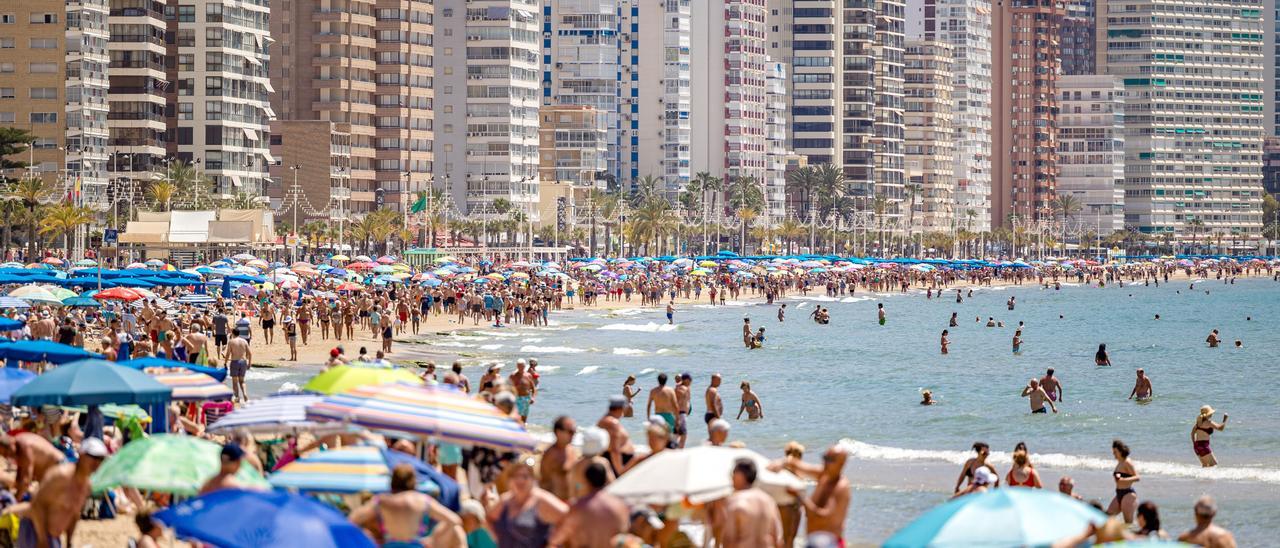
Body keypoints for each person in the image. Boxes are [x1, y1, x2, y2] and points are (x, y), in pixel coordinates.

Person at [350, 464, 465, 548]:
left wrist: (368, 537)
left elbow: (352, 519)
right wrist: (433, 538)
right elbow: (454, 520)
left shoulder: (382, 501)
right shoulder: (423, 501)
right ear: (413, 482)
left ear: (392, 482)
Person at [21, 437, 107, 548]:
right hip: (34, 531)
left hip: (53, 537)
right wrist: (42, 539)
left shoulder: (87, 486)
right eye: (94, 457)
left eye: (101, 459)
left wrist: (69, 542)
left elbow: (73, 514)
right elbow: (37, 506)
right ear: (81, 455)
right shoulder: (60, 476)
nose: (97, 463)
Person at [487, 455, 568, 548]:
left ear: (533, 478)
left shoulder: (541, 499)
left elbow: (569, 518)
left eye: (525, 476)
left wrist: (553, 543)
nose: (520, 480)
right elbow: (488, 518)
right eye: (515, 476)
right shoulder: (506, 500)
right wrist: (498, 538)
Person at [547, 461, 629, 548]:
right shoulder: (620, 505)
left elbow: (558, 536)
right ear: (605, 478)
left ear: (586, 480)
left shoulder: (579, 507)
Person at [788, 446, 851, 544]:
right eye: (825, 458)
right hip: (813, 540)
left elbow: (822, 517)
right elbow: (801, 466)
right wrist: (784, 462)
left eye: (830, 460)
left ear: (841, 464)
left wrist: (800, 496)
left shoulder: (840, 487)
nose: (825, 463)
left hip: (829, 542)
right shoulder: (824, 475)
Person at [720, 459, 783, 547]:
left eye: (733, 473)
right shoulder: (769, 501)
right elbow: (778, 539)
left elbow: (729, 538)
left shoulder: (735, 500)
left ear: (740, 475)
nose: (731, 477)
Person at [0, 432, 66, 502]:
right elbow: (20, 478)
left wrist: (14, 502)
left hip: (59, 469)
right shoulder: (18, 446)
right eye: (4, 455)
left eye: (6, 453)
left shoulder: (24, 446)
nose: (7, 456)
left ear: (11, 444)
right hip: (52, 473)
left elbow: (26, 481)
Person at [539, 416, 578, 501]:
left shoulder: (572, 450)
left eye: (575, 431)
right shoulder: (551, 454)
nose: (573, 434)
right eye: (570, 432)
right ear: (558, 432)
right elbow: (544, 482)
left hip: (572, 502)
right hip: (556, 503)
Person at [598, 396, 636, 476]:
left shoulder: (605, 420)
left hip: (615, 460)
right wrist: (620, 471)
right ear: (620, 408)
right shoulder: (612, 423)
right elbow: (614, 449)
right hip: (619, 462)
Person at [1107, 439, 1140, 524]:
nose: (1113, 454)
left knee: (1128, 523)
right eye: (1113, 452)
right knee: (1107, 516)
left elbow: (1137, 477)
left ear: (1121, 451)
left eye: (1115, 452)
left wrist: (1123, 480)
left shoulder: (1127, 462)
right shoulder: (1119, 463)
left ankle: (1131, 536)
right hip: (1118, 493)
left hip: (1128, 494)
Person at [226, 330, 252, 403]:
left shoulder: (231, 342)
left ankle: (237, 397)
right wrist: (249, 363)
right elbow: (250, 353)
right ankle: (245, 394)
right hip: (243, 362)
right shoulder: (244, 341)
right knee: (242, 381)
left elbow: (228, 354)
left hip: (235, 361)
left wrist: (225, 362)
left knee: (235, 382)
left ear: (233, 333)